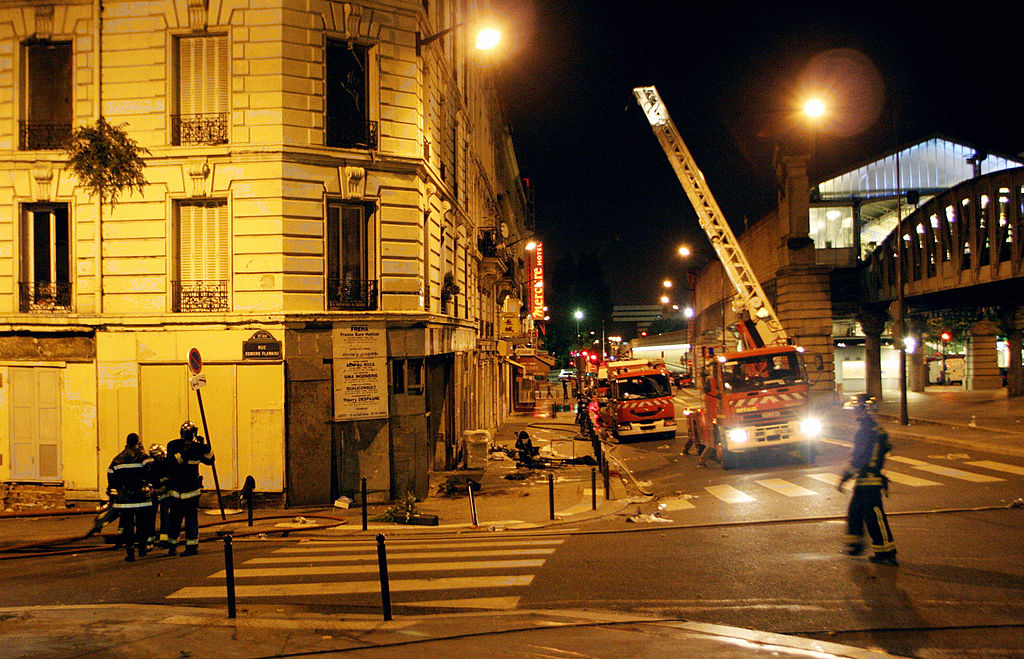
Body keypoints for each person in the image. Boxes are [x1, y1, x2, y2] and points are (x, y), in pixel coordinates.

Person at [838, 394, 898, 566]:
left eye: (856, 409)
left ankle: (887, 553)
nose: (853, 413)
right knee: (855, 512)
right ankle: (855, 546)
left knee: (875, 518)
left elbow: (861, 457)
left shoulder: (866, 431)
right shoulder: (873, 429)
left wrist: (846, 476)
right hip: (866, 480)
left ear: (864, 410)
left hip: (869, 481)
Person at [164, 421, 214, 556]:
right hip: (185, 490)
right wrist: (194, 449)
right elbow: (172, 462)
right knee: (185, 519)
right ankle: (182, 546)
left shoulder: (191, 447)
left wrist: (205, 447)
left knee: (177, 519)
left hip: (181, 491)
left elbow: (210, 460)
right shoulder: (175, 445)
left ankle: (177, 546)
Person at [105, 433, 154, 562]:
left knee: (128, 526)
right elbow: (152, 470)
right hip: (140, 498)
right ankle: (142, 548)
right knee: (142, 524)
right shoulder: (143, 457)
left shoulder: (117, 459)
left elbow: (111, 477)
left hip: (124, 500)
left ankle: (130, 552)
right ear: (137, 442)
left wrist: (114, 493)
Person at [147, 444, 172, 549]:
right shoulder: (150, 465)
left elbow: (171, 477)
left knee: (165, 515)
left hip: (165, 493)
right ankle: (150, 540)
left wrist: (164, 487)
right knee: (150, 517)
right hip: (154, 493)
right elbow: (149, 479)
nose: (160, 458)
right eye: (158, 456)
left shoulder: (167, 464)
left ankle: (164, 539)